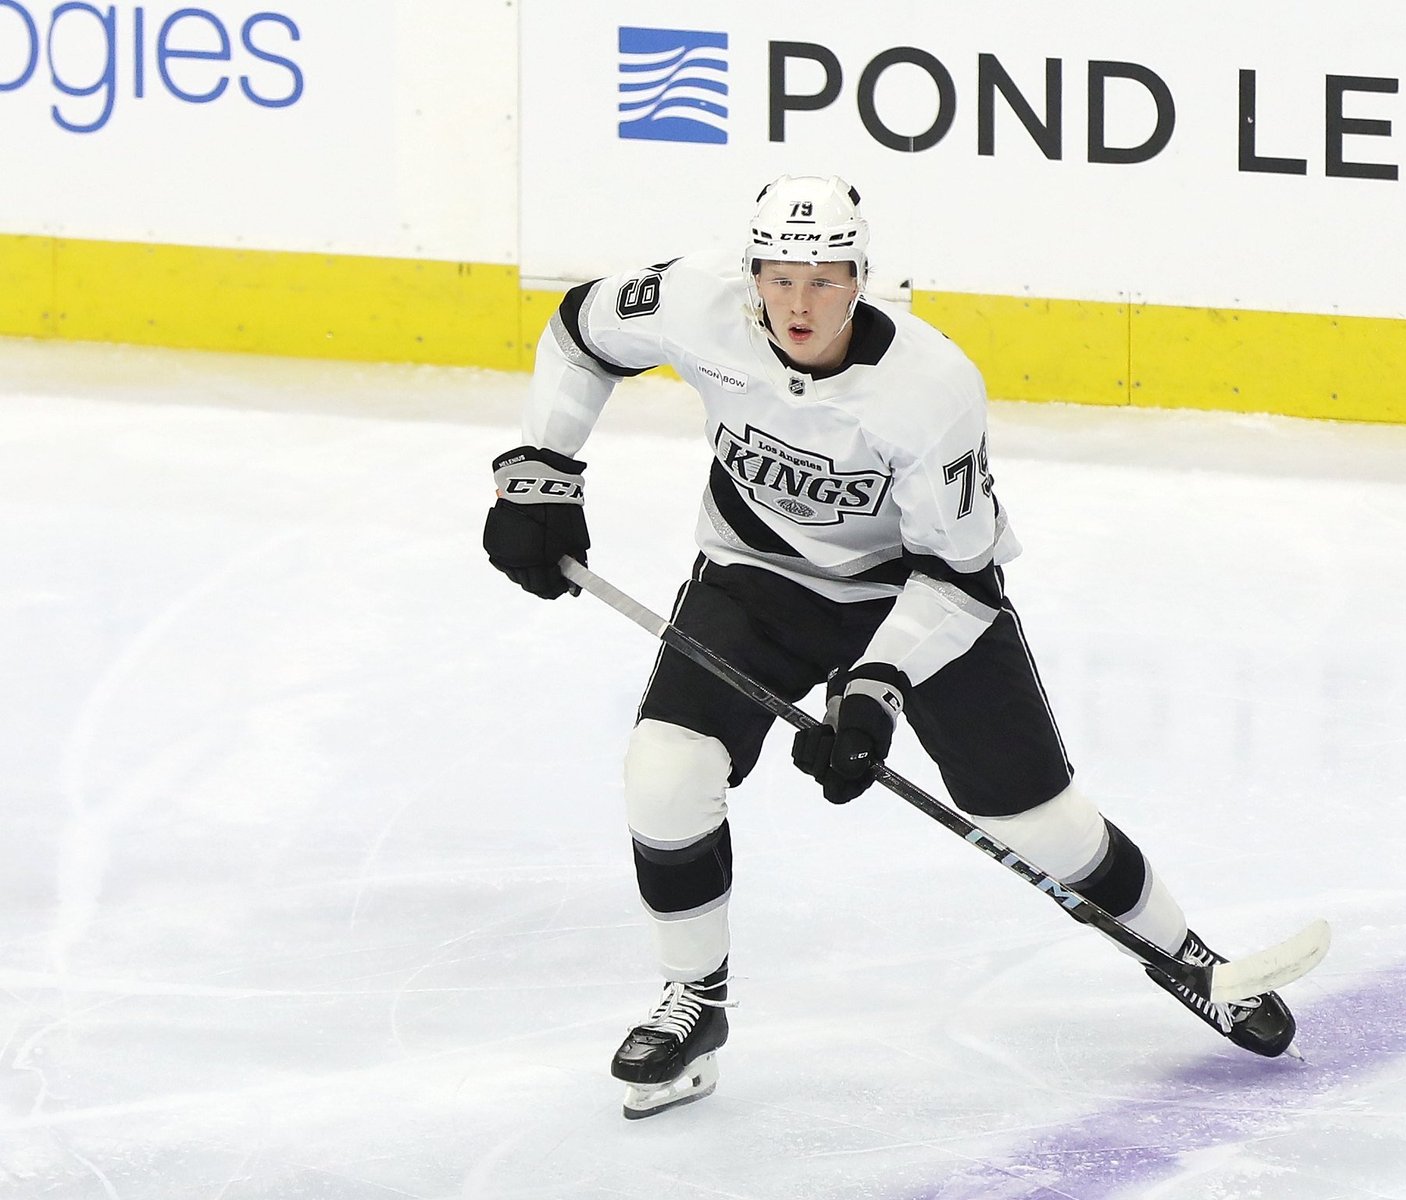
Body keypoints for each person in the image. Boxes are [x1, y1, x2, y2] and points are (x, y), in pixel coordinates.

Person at [483, 175, 1296, 1119]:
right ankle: (693, 999)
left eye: (823, 280)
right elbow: (579, 334)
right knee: (665, 772)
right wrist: (542, 470)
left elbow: (960, 574)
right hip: (755, 577)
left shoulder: (929, 388)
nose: (798, 303)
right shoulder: (694, 299)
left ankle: (1186, 957)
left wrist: (875, 687)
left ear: (860, 277)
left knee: (1040, 825)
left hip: (913, 594)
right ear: (751, 272)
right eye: (779, 277)